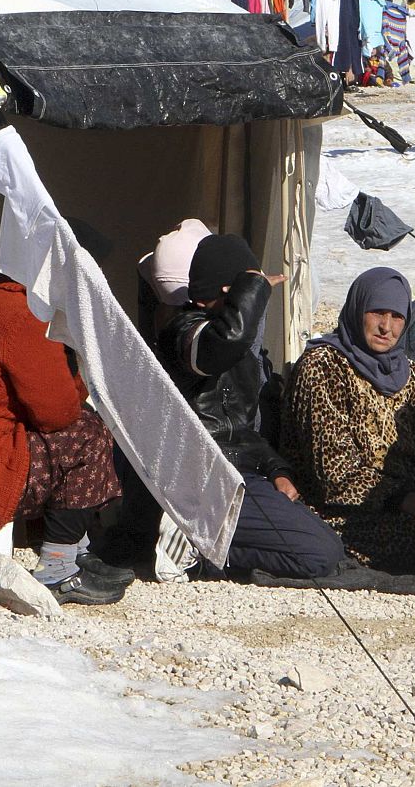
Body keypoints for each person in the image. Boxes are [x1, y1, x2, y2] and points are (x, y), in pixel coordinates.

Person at [155, 233, 343, 580]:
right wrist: (254, 288)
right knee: (320, 553)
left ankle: (206, 545)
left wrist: (276, 468)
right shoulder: (185, 332)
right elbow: (221, 346)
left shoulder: (241, 348)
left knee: (328, 543)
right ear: (231, 292)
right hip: (205, 478)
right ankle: (198, 551)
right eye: (250, 289)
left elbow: (238, 426)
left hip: (241, 471)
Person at [282, 268, 415, 572]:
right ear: (358, 309)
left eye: (397, 317)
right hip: (342, 511)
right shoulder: (322, 366)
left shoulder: (409, 375)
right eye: (377, 313)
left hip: (412, 502)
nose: (386, 327)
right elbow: (333, 473)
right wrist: (402, 499)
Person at [0, 275, 130, 606]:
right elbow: (56, 412)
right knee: (87, 435)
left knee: (76, 431)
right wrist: (83, 370)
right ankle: (57, 569)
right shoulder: (24, 312)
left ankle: (77, 549)